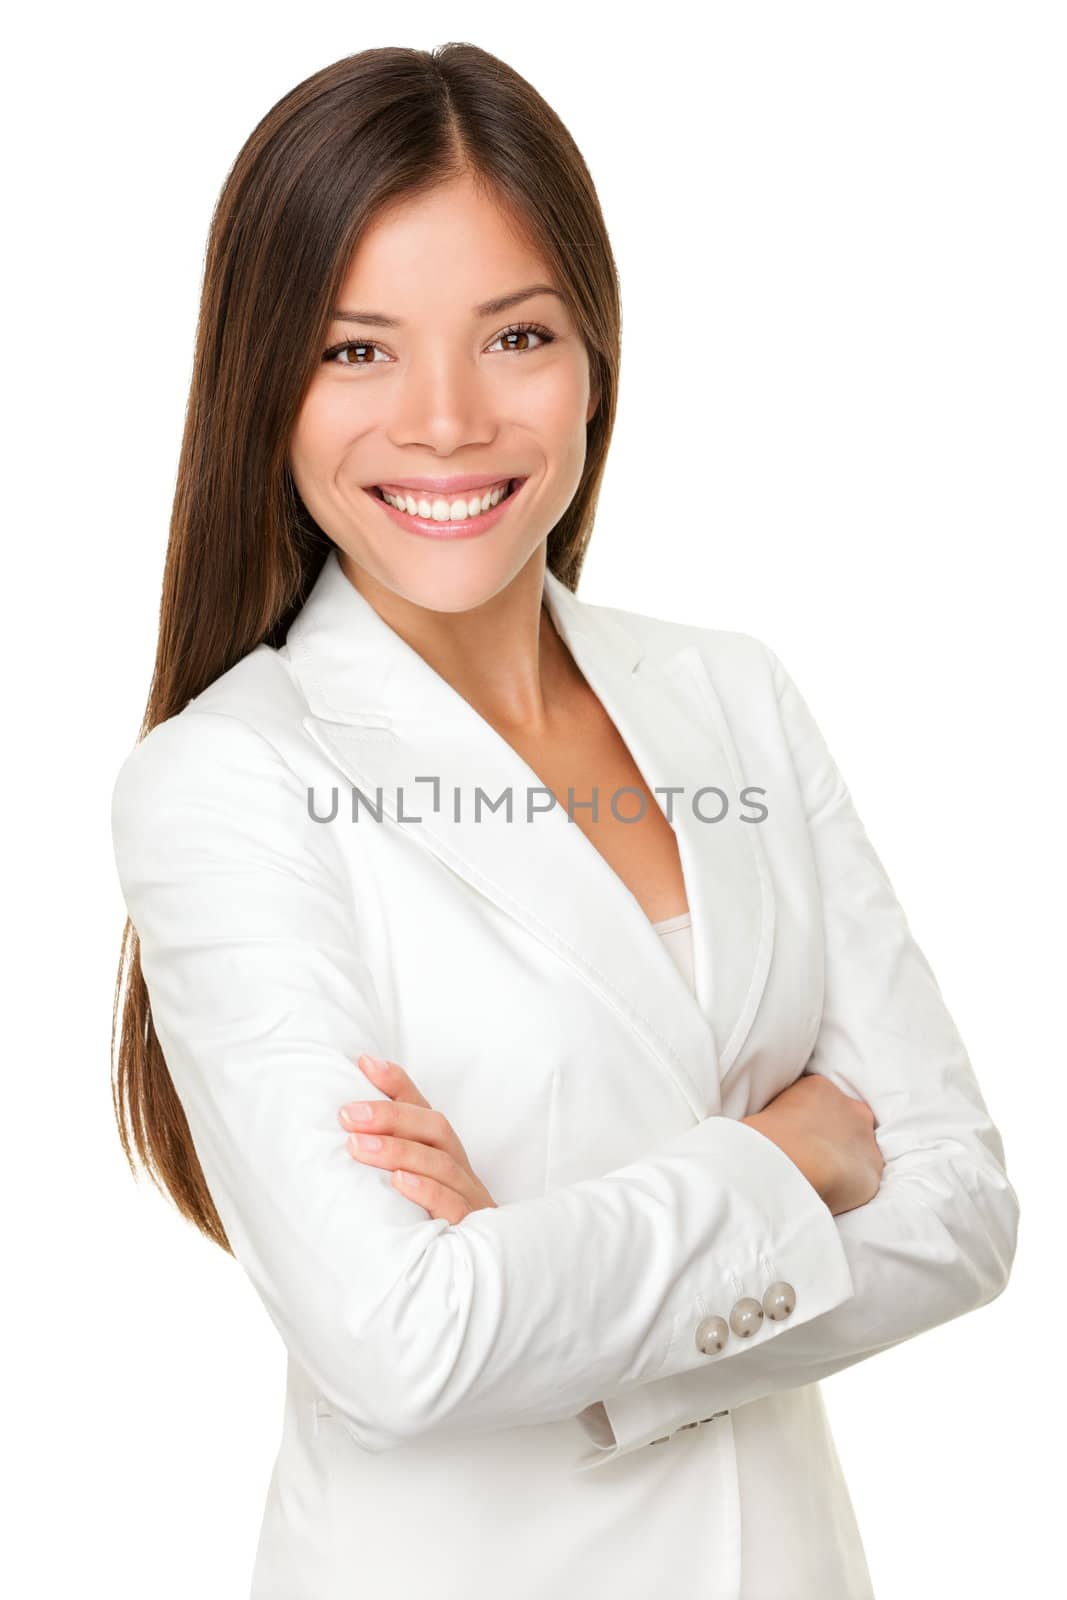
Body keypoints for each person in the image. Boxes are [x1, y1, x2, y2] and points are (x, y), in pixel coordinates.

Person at [109, 44, 1020, 1600]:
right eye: (358, 352)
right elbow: (405, 1340)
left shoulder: (731, 697)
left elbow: (965, 1204)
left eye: (514, 335)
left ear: (594, 352)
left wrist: (553, 1284)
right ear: (265, 381)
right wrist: (782, 1153)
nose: (449, 421)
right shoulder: (228, 781)